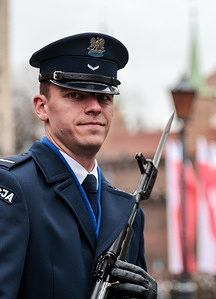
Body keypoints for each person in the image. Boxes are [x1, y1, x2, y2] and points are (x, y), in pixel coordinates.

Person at [0, 33, 157, 298]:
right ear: (42, 107)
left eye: (105, 97)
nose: (95, 107)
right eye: (75, 95)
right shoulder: (14, 188)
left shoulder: (128, 211)